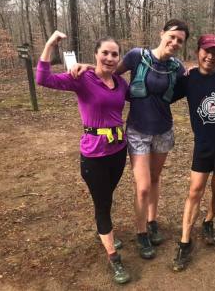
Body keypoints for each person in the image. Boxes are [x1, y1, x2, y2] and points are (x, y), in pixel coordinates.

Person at [72, 19, 190, 259]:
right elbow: (107, 71)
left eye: (180, 40)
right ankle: (141, 232)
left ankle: (152, 220)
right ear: (162, 33)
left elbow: (193, 84)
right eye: (172, 36)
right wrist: (85, 67)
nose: (175, 42)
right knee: (143, 186)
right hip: (137, 130)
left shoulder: (177, 68)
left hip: (163, 130)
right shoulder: (138, 56)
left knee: (155, 179)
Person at [36, 31, 131, 284]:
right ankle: (114, 257)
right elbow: (42, 79)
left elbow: (143, 96)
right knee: (102, 203)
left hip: (119, 151)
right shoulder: (82, 78)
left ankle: (104, 229)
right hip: (94, 154)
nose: (110, 58)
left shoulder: (121, 83)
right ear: (96, 54)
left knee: (107, 198)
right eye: (105, 53)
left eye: (114, 54)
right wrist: (49, 45)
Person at [170, 34, 215, 271]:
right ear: (197, 51)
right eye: (206, 51)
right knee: (194, 191)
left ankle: (209, 221)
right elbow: (163, 94)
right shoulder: (188, 80)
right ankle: (184, 241)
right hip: (203, 146)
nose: (210, 56)